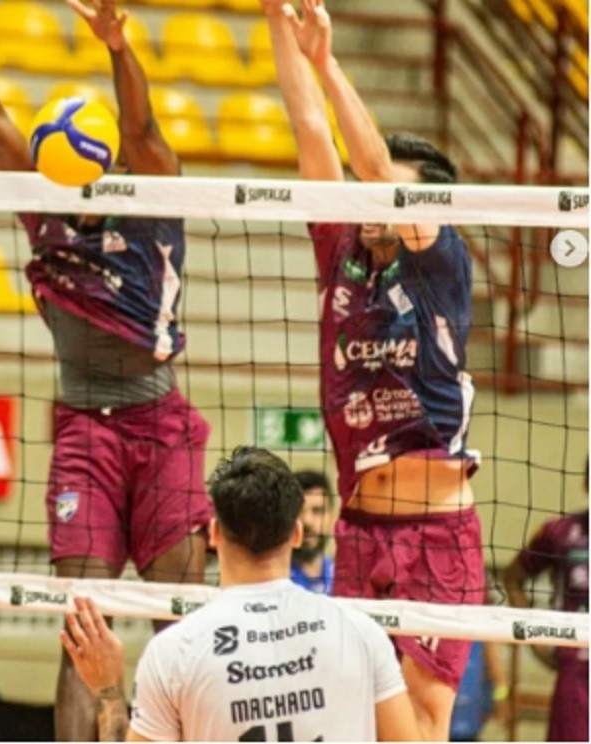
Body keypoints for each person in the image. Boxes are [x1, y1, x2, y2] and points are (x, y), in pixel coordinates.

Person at [0, 1, 212, 737]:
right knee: (80, 627)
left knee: (179, 626)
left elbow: (144, 132)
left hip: (161, 427)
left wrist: (118, 47)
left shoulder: (151, 203)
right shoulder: (43, 207)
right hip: (85, 431)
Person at [265, 1, 481, 737]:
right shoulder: (342, 249)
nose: (371, 197)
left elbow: (374, 170)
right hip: (359, 529)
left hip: (436, 535)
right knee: (351, 716)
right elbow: (309, 127)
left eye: (388, 190)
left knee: (420, 722)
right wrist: (277, 18)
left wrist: (327, 61)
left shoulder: (442, 265)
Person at [59, 446, 421, 741]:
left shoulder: (173, 652)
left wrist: (109, 690)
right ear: (296, 534)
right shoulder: (361, 633)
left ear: (214, 534)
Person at [502, 464, 588, 743]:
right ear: (587, 483)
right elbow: (513, 578)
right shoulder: (561, 532)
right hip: (577, 672)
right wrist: (537, 641)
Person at [290, 469, 334, 594]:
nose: (307, 521)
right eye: (298, 510)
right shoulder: (273, 579)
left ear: (331, 518)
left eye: (317, 511)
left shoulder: (343, 577)